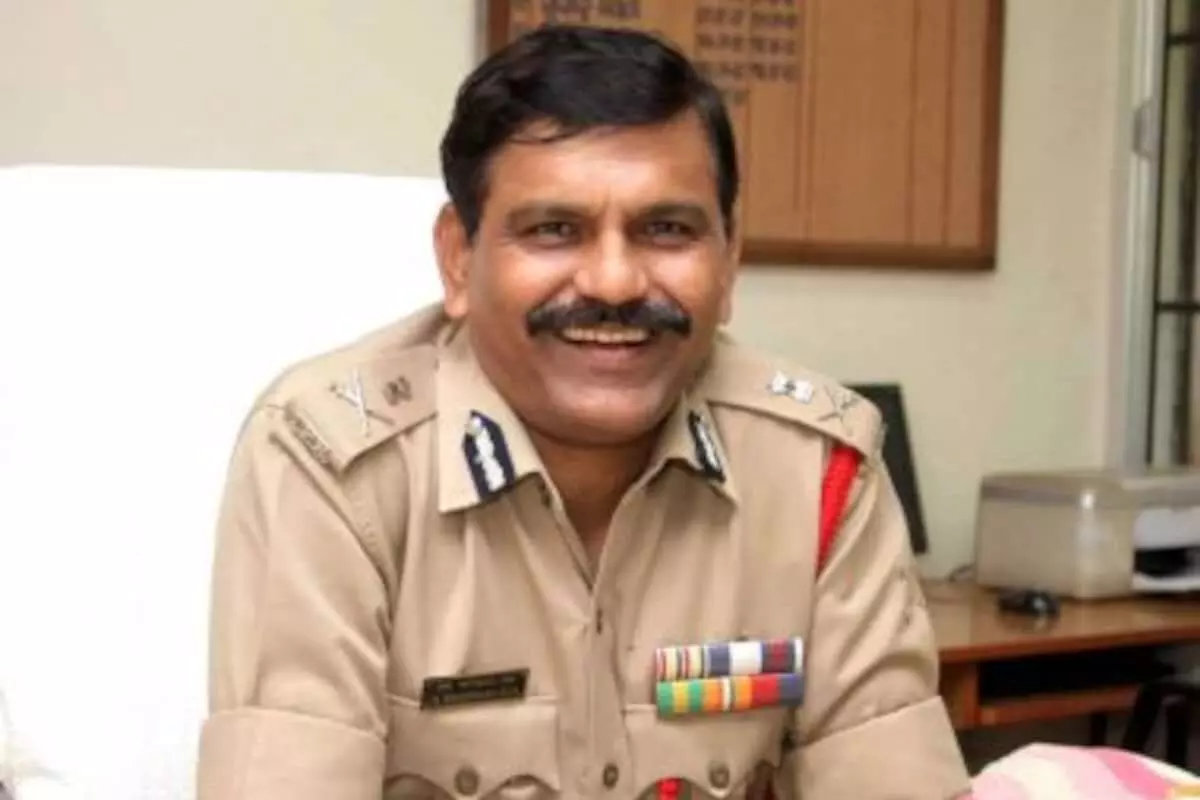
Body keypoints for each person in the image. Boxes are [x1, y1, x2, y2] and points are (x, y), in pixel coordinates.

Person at [195, 23, 971, 800]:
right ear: (459, 259)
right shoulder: (334, 464)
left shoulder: (819, 471)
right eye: (554, 230)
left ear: (729, 259)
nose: (614, 282)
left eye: (666, 229)